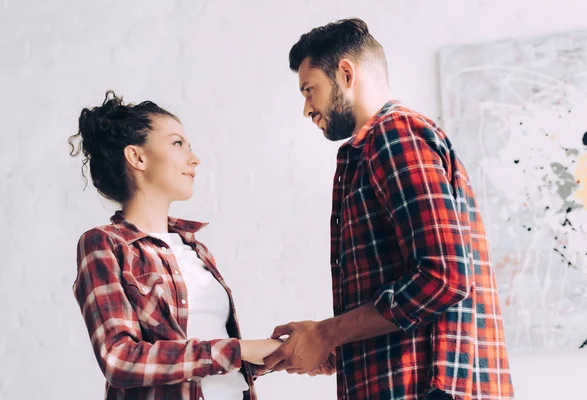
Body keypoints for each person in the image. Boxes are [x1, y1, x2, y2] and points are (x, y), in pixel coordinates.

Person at [264, 18, 515, 400]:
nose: (306, 109)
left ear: (346, 73)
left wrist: (327, 333)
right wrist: (334, 344)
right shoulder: (384, 143)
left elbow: (444, 277)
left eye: (309, 89)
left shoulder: (393, 137)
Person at [70, 91, 280, 400]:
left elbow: (216, 357)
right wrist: (239, 350)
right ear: (137, 157)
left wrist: (280, 354)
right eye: (177, 143)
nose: (194, 158)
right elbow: (120, 359)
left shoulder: (196, 249)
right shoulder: (105, 244)